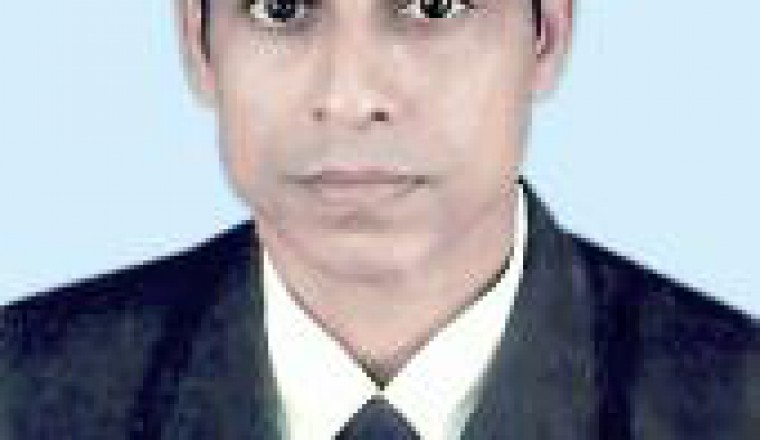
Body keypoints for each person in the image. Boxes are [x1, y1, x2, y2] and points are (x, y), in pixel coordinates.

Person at [1, 0, 757, 438]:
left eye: (433, 5)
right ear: (197, 44)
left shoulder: (737, 402)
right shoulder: (22, 391)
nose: (350, 97)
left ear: (546, 35)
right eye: (281, 8)